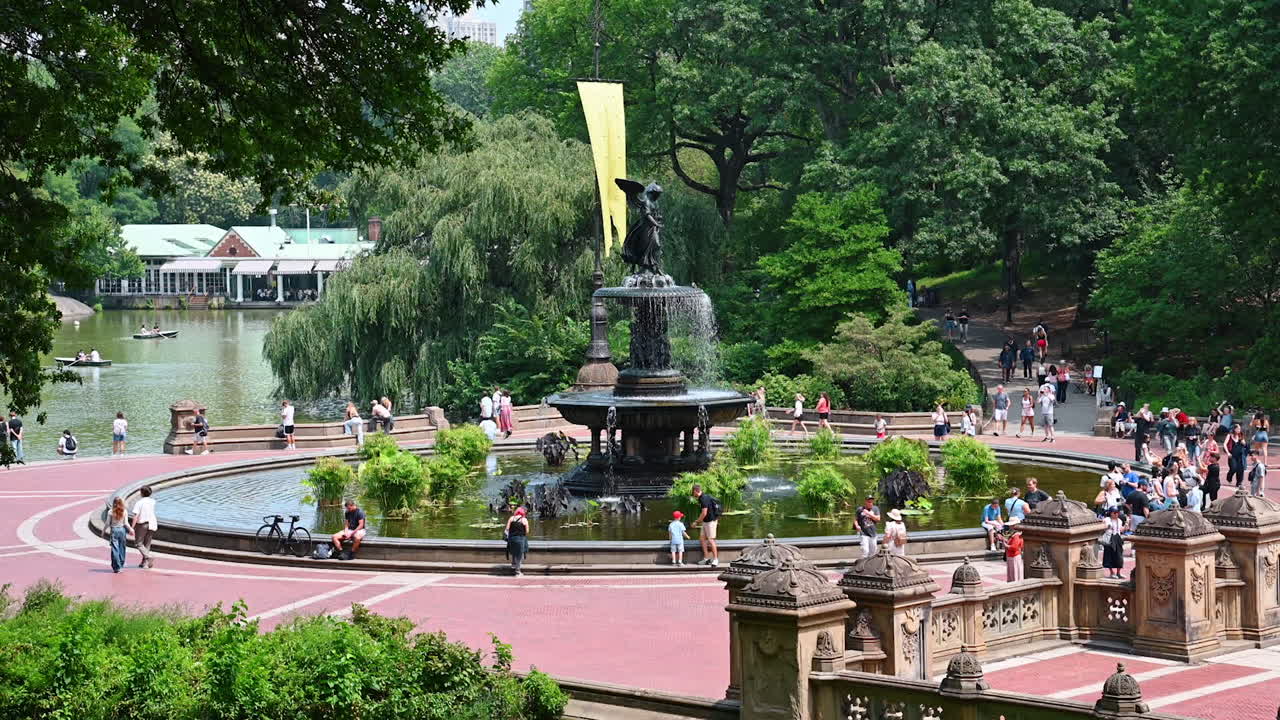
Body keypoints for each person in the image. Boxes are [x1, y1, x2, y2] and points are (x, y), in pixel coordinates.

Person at [691, 483, 721, 566]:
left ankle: (715, 559)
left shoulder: (703, 498)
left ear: (695, 491)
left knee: (711, 540)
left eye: (693, 492)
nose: (693, 494)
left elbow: (704, 513)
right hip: (705, 521)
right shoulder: (702, 497)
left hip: (710, 521)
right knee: (702, 539)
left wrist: (696, 522)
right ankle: (706, 558)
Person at [130, 486, 157, 569]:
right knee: (147, 544)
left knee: (138, 543)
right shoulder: (153, 501)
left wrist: (132, 527)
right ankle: (145, 563)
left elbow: (136, 515)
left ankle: (149, 556)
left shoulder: (139, 502)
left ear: (141, 493)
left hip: (142, 524)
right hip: (152, 523)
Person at [103, 497, 130, 573]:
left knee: (115, 548)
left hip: (114, 530)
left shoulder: (110, 512)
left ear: (113, 503)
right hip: (122, 530)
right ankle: (121, 564)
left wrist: (103, 531)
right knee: (122, 547)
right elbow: (126, 523)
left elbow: (107, 523)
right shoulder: (124, 511)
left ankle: (116, 567)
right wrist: (131, 529)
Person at [504, 506, 529, 576]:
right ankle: (517, 571)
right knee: (519, 555)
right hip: (520, 539)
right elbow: (527, 531)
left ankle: (513, 564)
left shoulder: (511, 518)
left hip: (512, 539)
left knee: (514, 552)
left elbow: (507, 529)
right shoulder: (524, 520)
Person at [1101, 506, 1125, 579]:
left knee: (1119, 556)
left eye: (1117, 512)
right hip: (1109, 539)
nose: (1116, 514)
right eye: (1114, 513)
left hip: (1117, 539)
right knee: (1109, 556)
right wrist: (1107, 526)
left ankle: (1118, 573)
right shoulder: (1106, 519)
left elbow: (1121, 530)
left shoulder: (1120, 521)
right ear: (1110, 513)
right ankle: (1111, 572)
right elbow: (1103, 527)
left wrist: (1126, 526)